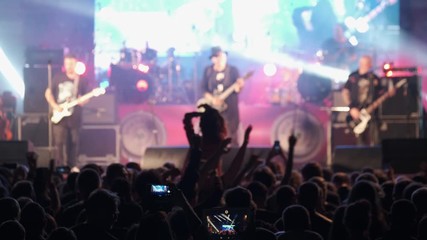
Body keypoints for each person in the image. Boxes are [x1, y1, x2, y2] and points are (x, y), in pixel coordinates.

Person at [45, 54, 90, 167]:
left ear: (75, 64)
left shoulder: (81, 80)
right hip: (59, 115)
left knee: (74, 143)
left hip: (75, 117)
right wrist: (55, 106)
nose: (69, 66)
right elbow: (48, 93)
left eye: (71, 64)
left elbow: (86, 97)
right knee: (59, 143)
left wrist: (82, 101)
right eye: (67, 64)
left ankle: (72, 166)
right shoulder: (58, 77)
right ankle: (60, 167)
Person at [341, 55, 394, 146]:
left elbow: (381, 93)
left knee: (376, 139)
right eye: (363, 63)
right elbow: (345, 92)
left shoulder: (374, 77)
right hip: (356, 111)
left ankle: (376, 156)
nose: (365, 65)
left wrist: (389, 93)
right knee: (360, 141)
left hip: (372, 112)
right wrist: (351, 108)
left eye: (368, 63)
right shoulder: (353, 76)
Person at [201, 46, 244, 145]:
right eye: (219, 57)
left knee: (230, 138)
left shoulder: (232, 70)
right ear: (213, 59)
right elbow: (202, 88)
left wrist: (239, 87)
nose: (222, 59)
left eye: (224, 57)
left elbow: (238, 89)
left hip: (229, 112)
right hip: (213, 111)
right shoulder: (208, 71)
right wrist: (212, 99)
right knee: (213, 138)